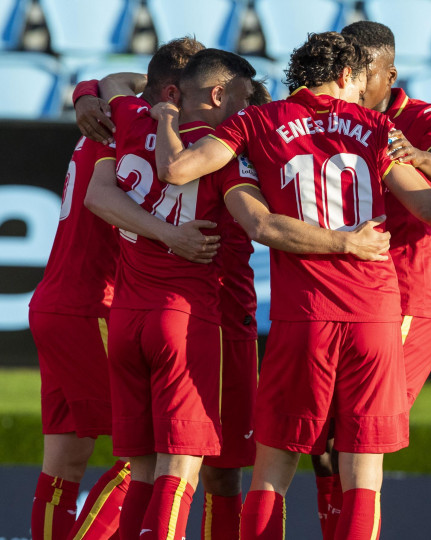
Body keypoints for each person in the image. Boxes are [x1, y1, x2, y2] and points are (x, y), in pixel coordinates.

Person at [149, 31, 431, 539]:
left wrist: (166, 116)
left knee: (273, 470)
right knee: (363, 475)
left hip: (304, 314)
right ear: (347, 77)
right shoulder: (375, 127)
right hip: (375, 313)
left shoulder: (256, 121)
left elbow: (180, 171)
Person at [96, 44, 390, 540]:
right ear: (217, 94)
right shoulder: (227, 149)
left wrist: (141, 104)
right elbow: (256, 220)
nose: (249, 104)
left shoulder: (129, 118)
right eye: (242, 95)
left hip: (126, 316)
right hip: (194, 318)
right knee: (188, 466)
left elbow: (110, 88)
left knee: (141, 469)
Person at [27, 71, 215, 540]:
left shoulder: (110, 119)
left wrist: (86, 92)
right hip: (97, 304)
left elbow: (116, 78)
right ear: (173, 93)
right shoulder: (136, 136)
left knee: (64, 463)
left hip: (57, 302)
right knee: (143, 454)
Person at [307, 21, 431, 538]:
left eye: (360, 72)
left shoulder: (421, 117)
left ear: (389, 73)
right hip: (343, 299)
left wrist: (422, 159)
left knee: (358, 442)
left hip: (404, 299)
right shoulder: (330, 114)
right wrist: (86, 88)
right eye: (341, 70)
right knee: (322, 444)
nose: (347, 80)